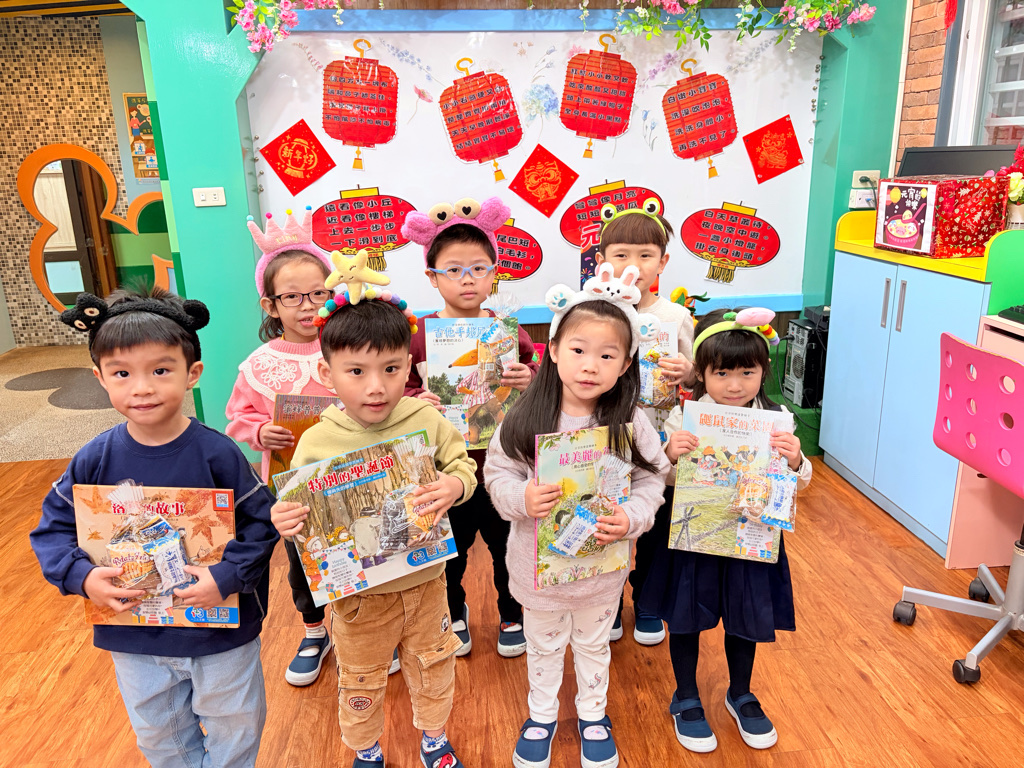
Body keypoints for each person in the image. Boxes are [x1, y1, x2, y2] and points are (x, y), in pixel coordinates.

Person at [31, 287, 279, 768]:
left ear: (193, 374)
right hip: (135, 635)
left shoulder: (218, 453)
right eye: (122, 373)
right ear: (100, 378)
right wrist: (82, 576)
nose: (141, 388)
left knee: (236, 727)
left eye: (161, 370)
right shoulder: (94, 458)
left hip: (219, 632)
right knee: (160, 737)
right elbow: (52, 530)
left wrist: (226, 576)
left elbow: (261, 523)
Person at [269, 288, 477, 768]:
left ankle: (434, 740)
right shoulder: (317, 440)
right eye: (357, 372)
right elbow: (298, 513)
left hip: (426, 583)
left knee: (435, 664)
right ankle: (366, 748)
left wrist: (454, 485)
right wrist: (285, 520)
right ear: (328, 374)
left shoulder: (426, 418)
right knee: (360, 678)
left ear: (409, 367)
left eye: (391, 368)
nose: (376, 387)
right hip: (358, 600)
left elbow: (463, 466)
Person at [485, 264, 669, 768]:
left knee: (593, 646)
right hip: (539, 573)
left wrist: (631, 516)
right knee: (543, 648)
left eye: (607, 355)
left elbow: (653, 478)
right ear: (553, 350)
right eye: (579, 350)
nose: (591, 366)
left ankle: (592, 714)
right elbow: (497, 474)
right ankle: (541, 715)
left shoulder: (629, 421)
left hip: (601, 573)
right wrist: (522, 498)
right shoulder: (525, 416)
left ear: (626, 364)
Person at [638, 308, 813, 754]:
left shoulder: (778, 419)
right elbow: (661, 478)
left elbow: (797, 485)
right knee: (686, 615)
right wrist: (669, 455)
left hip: (750, 539)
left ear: (763, 371)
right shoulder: (685, 417)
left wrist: (796, 461)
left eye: (747, 373)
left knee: (745, 614)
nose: (735, 385)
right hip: (694, 537)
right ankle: (686, 696)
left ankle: (741, 692)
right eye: (722, 373)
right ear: (701, 374)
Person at [402, 195, 539, 658]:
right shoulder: (419, 336)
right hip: (444, 469)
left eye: (479, 268)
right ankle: (453, 611)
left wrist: (528, 377)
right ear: (432, 277)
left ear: (494, 273)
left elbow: (539, 378)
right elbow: (401, 387)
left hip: (503, 466)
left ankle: (512, 613)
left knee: (507, 547)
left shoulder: (507, 331)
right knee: (451, 550)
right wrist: (416, 398)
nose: (467, 278)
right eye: (454, 269)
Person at [226, 208, 339, 687]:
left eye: (318, 293)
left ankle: (365, 630)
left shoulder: (348, 345)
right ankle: (315, 632)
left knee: (360, 549)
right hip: (291, 484)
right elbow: (238, 417)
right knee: (302, 561)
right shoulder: (259, 364)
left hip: (355, 473)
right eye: (292, 296)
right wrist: (260, 433)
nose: (307, 306)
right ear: (271, 306)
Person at [594, 200, 695, 647]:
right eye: (621, 255)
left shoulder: (675, 317)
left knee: (655, 528)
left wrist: (688, 372)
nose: (632, 265)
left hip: (661, 441)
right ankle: (610, 602)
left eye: (645, 255)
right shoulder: (594, 311)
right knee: (609, 519)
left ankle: (648, 602)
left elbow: (698, 377)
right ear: (603, 261)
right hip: (608, 440)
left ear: (663, 262)